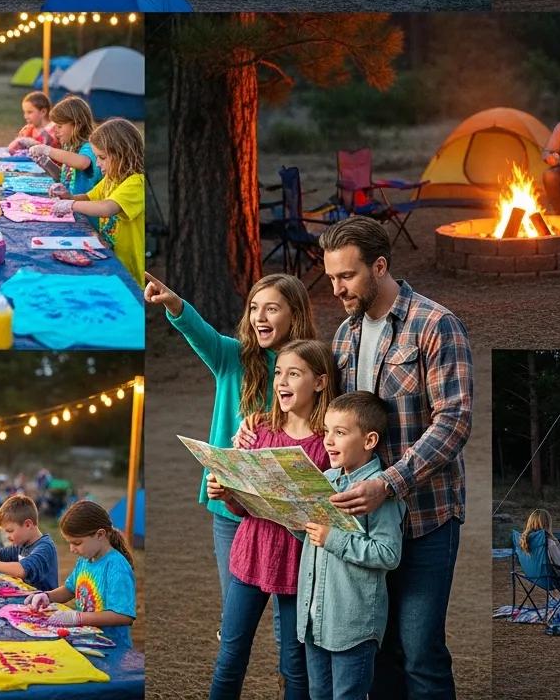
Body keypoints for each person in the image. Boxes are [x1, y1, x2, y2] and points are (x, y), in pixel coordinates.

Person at [318, 216, 472, 700]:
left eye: (347, 276)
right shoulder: (344, 336)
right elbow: (333, 423)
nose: (337, 289)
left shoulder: (436, 324)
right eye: (332, 278)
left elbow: (454, 421)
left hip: (426, 518)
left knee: (420, 652)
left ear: (380, 266)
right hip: (364, 527)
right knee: (378, 648)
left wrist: (390, 482)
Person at [145, 272, 315, 629]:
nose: (260, 317)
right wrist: (175, 303)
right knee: (235, 614)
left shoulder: (311, 370)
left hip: (287, 514)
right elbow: (199, 332)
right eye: (254, 307)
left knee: (293, 615)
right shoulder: (232, 358)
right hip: (232, 508)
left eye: (272, 308)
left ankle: (292, 678)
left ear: (295, 314)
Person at [207, 339, 336, 700]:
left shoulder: (329, 445)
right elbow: (244, 508)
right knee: (230, 655)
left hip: (300, 569)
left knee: (295, 666)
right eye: (279, 372)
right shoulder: (260, 431)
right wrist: (228, 493)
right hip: (249, 557)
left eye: (294, 374)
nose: (282, 382)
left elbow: (329, 511)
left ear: (320, 383)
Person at [294, 391, 404, 700]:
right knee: (318, 695)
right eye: (327, 430)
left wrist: (334, 539)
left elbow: (389, 553)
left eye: (339, 433)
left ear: (369, 440)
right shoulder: (324, 479)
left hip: (351, 626)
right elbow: (312, 539)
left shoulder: (378, 492)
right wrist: (295, 521)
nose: (328, 440)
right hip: (314, 619)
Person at [23, 500, 136, 646]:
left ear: (100, 534)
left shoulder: (116, 567)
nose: (71, 549)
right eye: (69, 543)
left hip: (112, 646)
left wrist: (78, 618)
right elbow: (70, 589)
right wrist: (47, 596)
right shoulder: (86, 559)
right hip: (86, 639)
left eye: (77, 543)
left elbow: (123, 615)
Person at [51, 117, 144, 285]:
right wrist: (68, 196)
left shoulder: (136, 183)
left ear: (121, 153)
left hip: (129, 271)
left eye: (102, 157)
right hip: (110, 259)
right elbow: (89, 197)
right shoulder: (111, 179)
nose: (98, 164)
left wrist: (71, 205)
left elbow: (107, 208)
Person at [0, 494, 59, 591]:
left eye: (10, 531)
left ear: (27, 525)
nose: (7, 536)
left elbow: (22, 570)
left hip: (44, 603)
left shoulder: (44, 547)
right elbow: (0, 553)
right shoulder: (23, 544)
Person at [28, 95, 102, 198]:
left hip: (85, 211)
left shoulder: (90, 146)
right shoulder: (70, 146)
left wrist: (47, 150)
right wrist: (47, 164)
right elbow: (63, 179)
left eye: (59, 126)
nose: (56, 130)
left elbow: (83, 163)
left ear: (77, 125)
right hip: (70, 207)